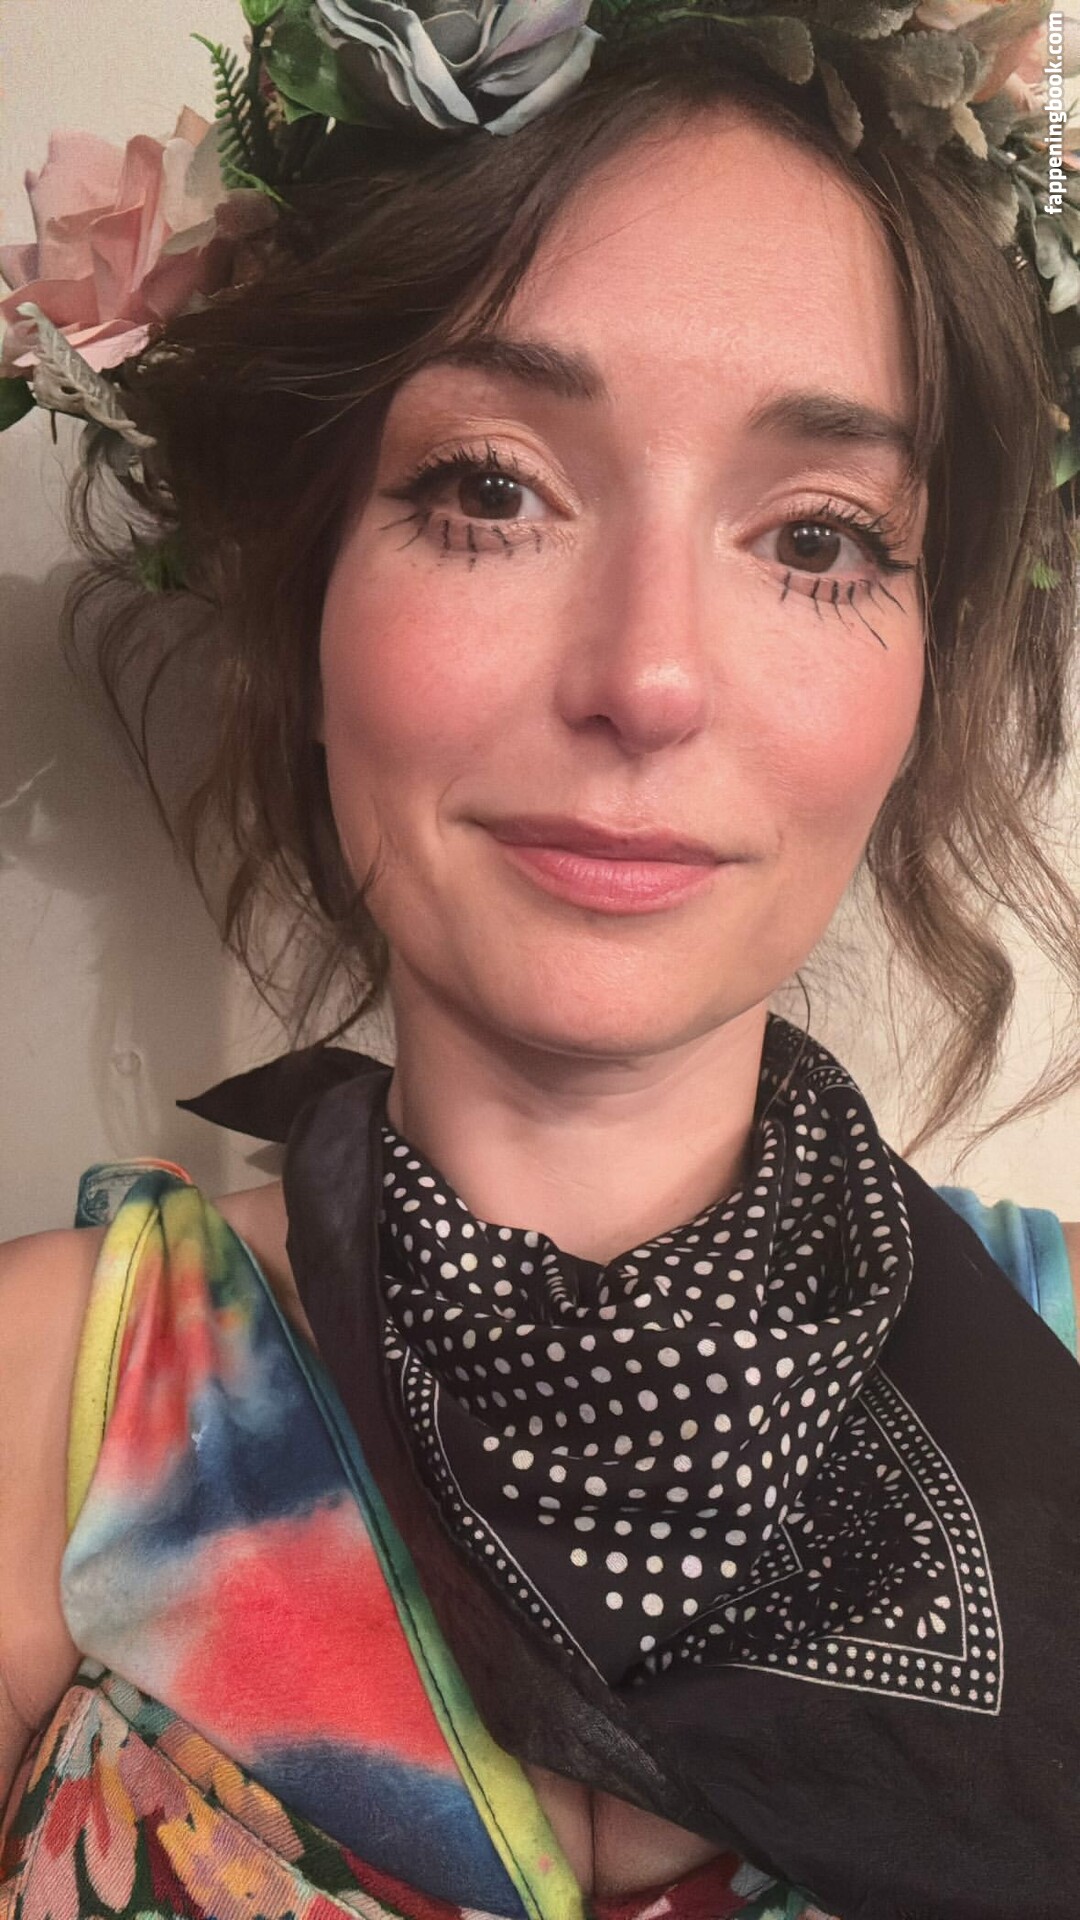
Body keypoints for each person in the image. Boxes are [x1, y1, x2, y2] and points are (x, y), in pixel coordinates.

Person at [1, 3, 1079, 1916]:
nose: (648, 677)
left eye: (817, 538)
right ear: (305, 601)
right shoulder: (39, 1405)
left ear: (924, 673)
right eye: (491, 488)